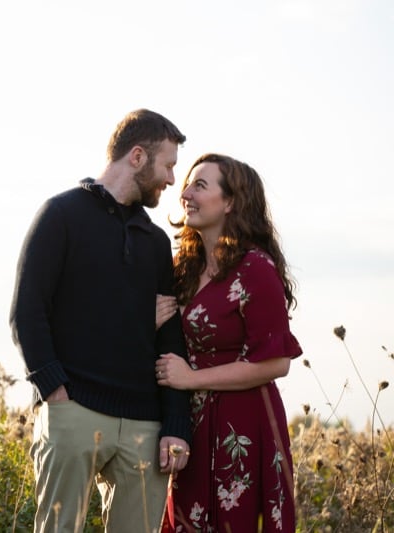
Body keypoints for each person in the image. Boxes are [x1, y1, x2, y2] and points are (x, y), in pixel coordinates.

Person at [10, 108, 192, 532]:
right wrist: (55, 391)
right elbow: (28, 310)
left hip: (145, 425)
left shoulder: (155, 242)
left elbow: (170, 338)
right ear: (137, 156)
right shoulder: (60, 215)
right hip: (74, 408)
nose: (170, 179)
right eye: (167, 165)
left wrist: (176, 424)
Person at [154, 153, 302, 532]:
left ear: (231, 201)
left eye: (200, 185)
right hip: (190, 426)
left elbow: (276, 363)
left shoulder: (256, 269)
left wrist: (191, 379)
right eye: (187, 183)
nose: (185, 192)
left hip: (245, 426)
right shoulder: (182, 270)